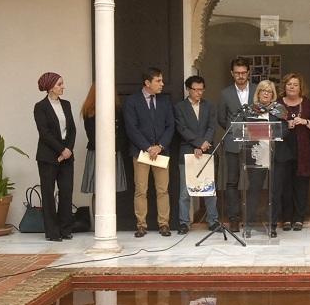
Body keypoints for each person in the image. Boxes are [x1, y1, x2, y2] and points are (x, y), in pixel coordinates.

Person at [123, 67, 175, 237]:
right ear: (147, 82)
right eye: (158, 81)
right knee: (141, 190)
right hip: (141, 152)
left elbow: (170, 126)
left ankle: (164, 224)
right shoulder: (132, 101)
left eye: (162, 80)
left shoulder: (165, 101)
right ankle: (141, 225)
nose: (162, 84)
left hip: (161, 151)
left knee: (163, 190)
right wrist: (147, 147)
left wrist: (159, 146)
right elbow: (131, 128)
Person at [275, 73, 310, 232]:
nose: (292, 87)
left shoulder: (308, 104)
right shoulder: (278, 104)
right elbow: (272, 125)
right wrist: (285, 124)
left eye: (295, 84)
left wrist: (305, 121)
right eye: (289, 84)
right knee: (285, 185)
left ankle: (299, 218)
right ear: (284, 86)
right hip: (283, 151)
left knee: (301, 185)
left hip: (304, 152)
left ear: (300, 87)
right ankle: (286, 218)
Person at [33, 72, 76, 242]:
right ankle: (52, 232)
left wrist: (68, 150)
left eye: (62, 83)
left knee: (66, 192)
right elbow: (45, 133)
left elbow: (72, 130)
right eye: (59, 84)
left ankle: (66, 229)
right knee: (48, 194)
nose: (63, 86)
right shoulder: (40, 106)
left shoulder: (66, 104)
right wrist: (60, 150)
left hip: (67, 156)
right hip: (48, 157)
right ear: (50, 87)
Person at [174, 75, 218, 235]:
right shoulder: (179, 107)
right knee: (185, 192)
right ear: (188, 89)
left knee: (209, 189)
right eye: (195, 90)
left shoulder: (209, 106)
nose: (199, 93)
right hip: (187, 151)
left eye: (201, 90)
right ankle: (184, 223)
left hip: (206, 152)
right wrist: (198, 143)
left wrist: (204, 143)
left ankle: (213, 221)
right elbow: (182, 129)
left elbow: (212, 127)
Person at [244, 80, 288, 238]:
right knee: (254, 189)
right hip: (257, 154)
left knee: (274, 192)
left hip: (276, 155)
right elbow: (244, 130)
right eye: (263, 90)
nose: (266, 93)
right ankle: (248, 224)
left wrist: (272, 134)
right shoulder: (250, 110)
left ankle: (273, 225)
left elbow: (285, 131)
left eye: (269, 91)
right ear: (258, 93)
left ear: (273, 94)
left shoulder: (279, 110)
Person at [218, 57, 256, 232]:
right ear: (232, 73)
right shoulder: (225, 93)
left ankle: (252, 216)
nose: (240, 76)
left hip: (255, 144)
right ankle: (233, 218)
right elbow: (221, 119)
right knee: (232, 182)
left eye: (243, 72)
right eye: (237, 73)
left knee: (254, 181)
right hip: (233, 144)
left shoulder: (257, 91)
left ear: (248, 72)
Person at [80, 83, 128, 213]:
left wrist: (114, 148)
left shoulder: (116, 109)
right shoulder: (89, 110)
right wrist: (104, 151)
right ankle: (98, 222)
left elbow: (122, 132)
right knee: (97, 190)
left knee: (112, 189)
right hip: (96, 153)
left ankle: (110, 221)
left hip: (114, 152)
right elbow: (91, 135)